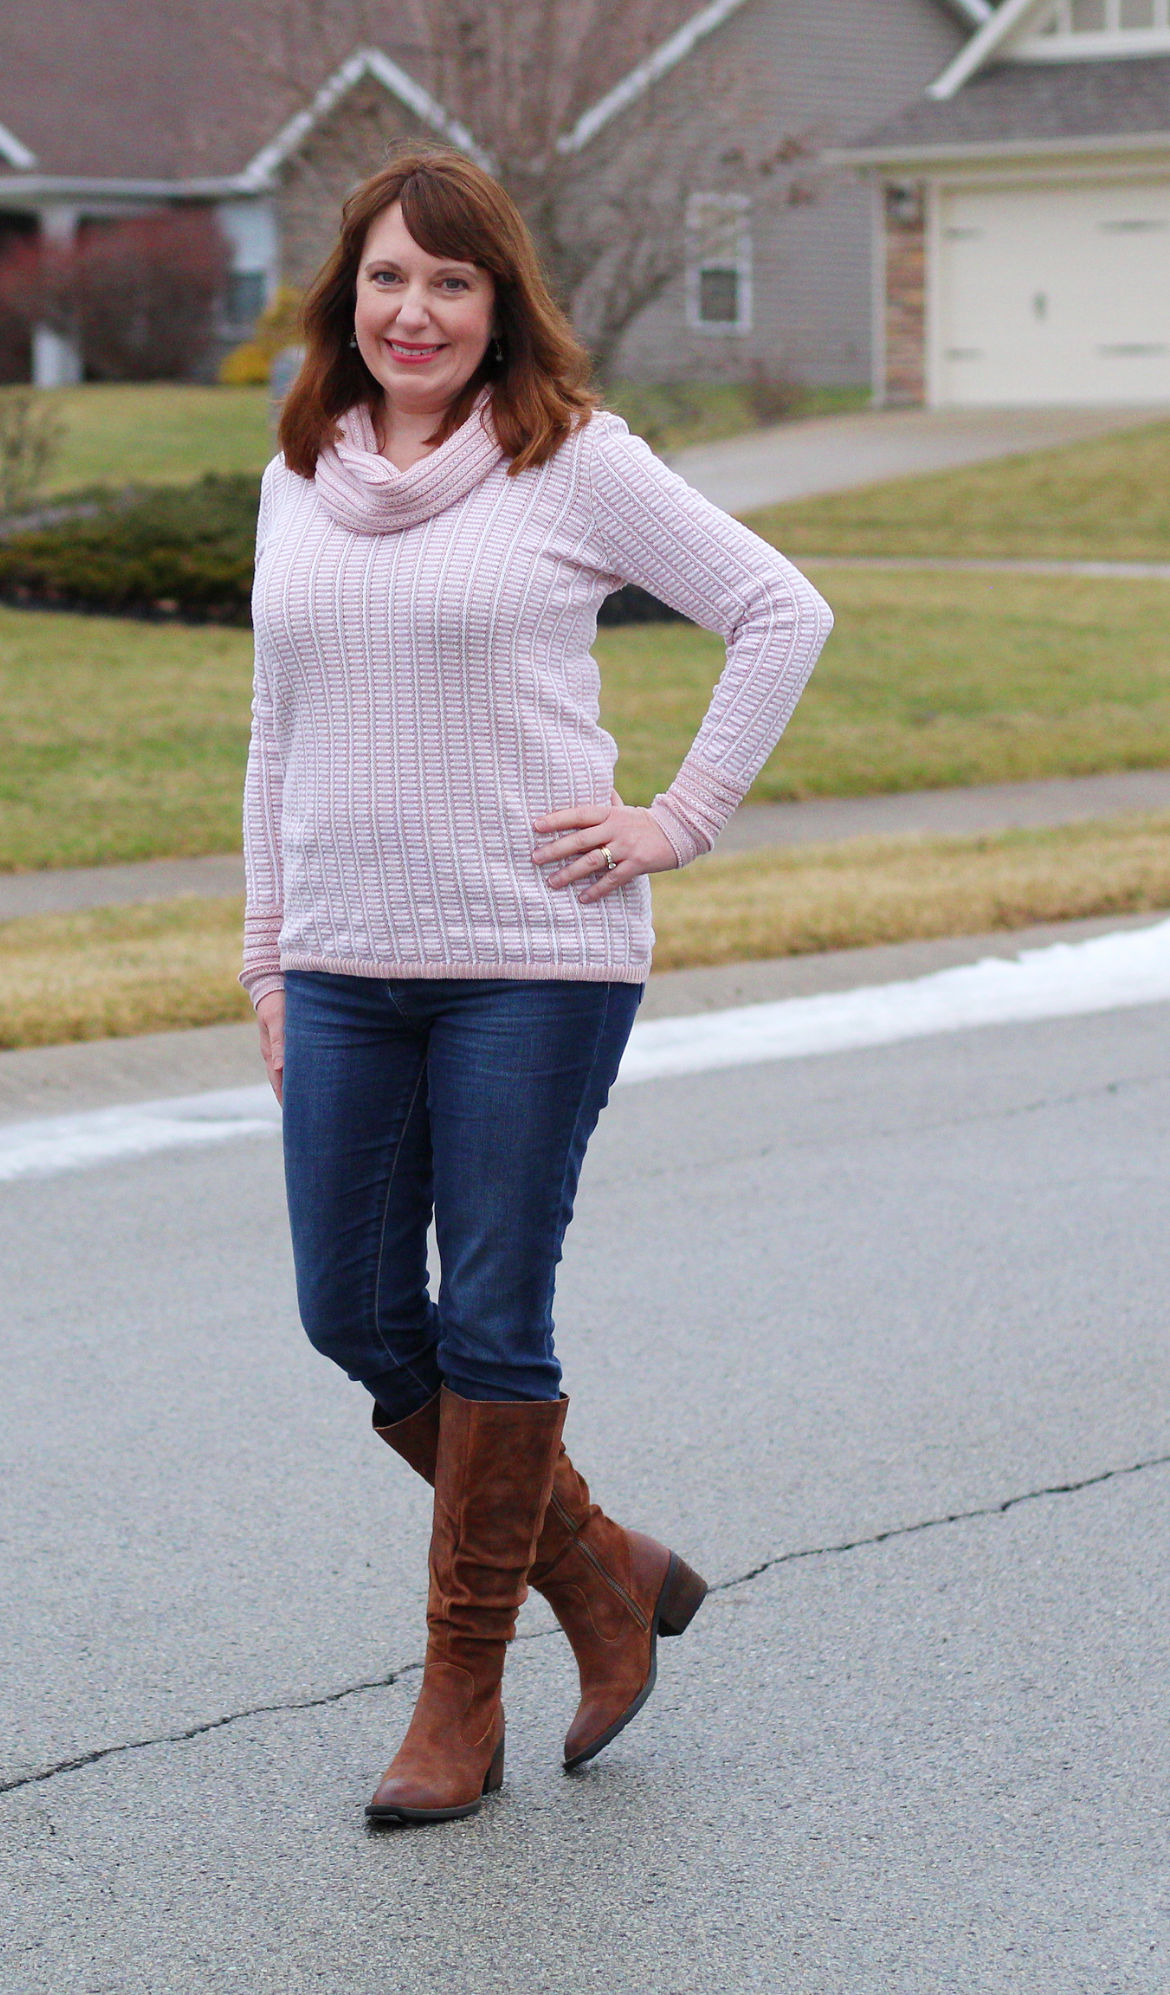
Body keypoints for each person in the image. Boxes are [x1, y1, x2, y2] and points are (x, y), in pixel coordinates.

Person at [241, 147, 833, 1826]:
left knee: (492, 1318)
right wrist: (264, 955)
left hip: (533, 960)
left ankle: (459, 1699)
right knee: (351, 1312)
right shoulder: (302, 468)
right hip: (344, 963)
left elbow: (777, 612)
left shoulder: (571, 461)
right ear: (342, 298)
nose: (411, 310)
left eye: (449, 281)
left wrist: (673, 820)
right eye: (385, 279)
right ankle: (597, 1571)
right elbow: (274, 733)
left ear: (500, 307)